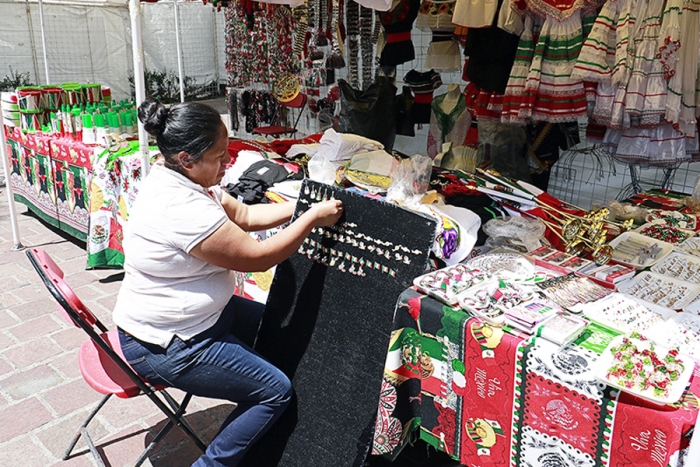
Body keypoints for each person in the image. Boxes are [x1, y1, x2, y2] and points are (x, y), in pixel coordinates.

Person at [113, 99, 343, 467]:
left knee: (280, 328)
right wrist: (312, 218)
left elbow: (247, 214)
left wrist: (304, 203)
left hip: (199, 318)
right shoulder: (180, 205)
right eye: (220, 157)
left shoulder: (184, 178)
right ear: (187, 157)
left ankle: (275, 438)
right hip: (168, 344)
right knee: (273, 391)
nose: (228, 165)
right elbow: (257, 256)